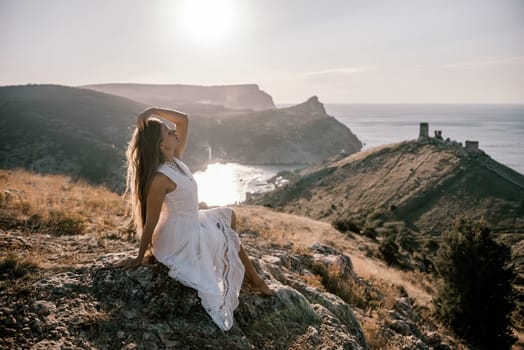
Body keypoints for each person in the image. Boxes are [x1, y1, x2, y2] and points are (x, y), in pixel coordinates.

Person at [115, 107, 274, 331]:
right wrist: (140, 256)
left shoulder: (175, 158)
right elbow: (150, 222)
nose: (173, 131)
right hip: (178, 236)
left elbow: (184, 119)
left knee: (228, 217)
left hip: (191, 221)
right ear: (162, 146)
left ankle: (251, 277)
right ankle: (255, 280)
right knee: (223, 235)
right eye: (167, 132)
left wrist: (152, 111)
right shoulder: (161, 178)